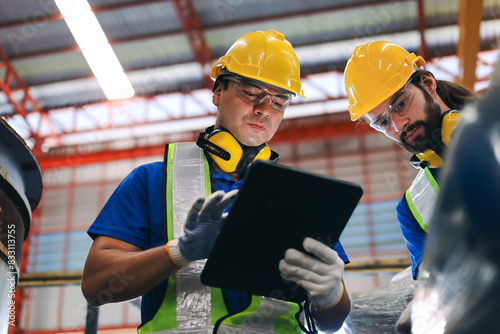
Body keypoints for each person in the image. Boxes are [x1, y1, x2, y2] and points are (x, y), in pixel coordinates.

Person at [82, 30, 351, 334]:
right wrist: (178, 252)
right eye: (251, 92)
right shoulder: (152, 181)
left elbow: (331, 322)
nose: (264, 109)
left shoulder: (301, 197)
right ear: (218, 92)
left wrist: (330, 295)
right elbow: (95, 286)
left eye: (279, 102)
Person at [343, 41, 476, 282]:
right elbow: (436, 290)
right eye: (383, 123)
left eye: (401, 104)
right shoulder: (412, 210)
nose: (398, 125)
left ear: (427, 84)